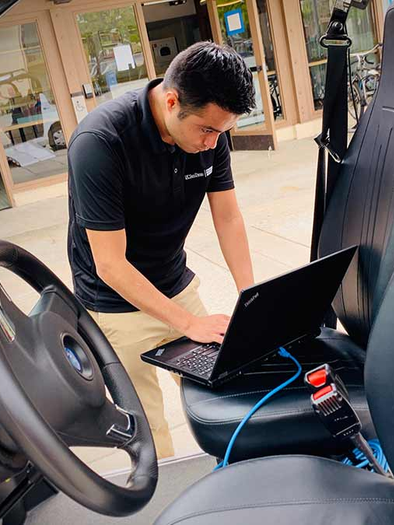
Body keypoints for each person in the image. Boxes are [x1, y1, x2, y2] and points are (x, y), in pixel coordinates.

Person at [66, 42, 256, 458]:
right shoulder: (100, 143)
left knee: (226, 394)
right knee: (149, 432)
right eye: (207, 130)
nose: (213, 142)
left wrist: (250, 296)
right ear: (172, 101)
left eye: (222, 131)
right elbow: (110, 264)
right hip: (116, 304)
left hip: (175, 282)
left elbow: (227, 218)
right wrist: (188, 323)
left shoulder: (211, 131)